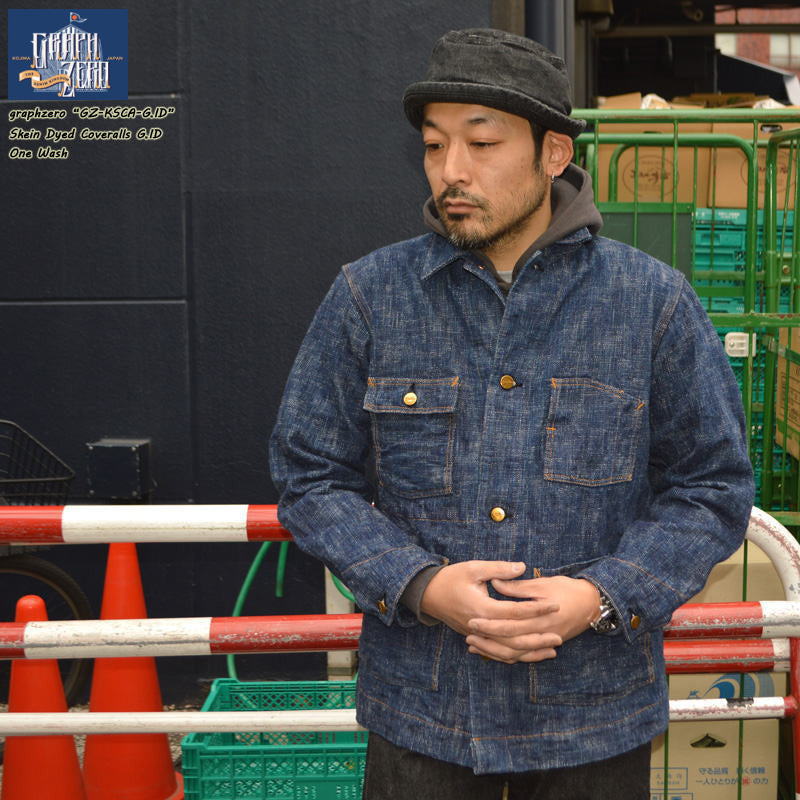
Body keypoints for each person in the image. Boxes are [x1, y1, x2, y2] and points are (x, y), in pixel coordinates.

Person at [269, 28, 754, 800]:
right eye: (435, 146)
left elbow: (713, 487)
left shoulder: (652, 304)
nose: (451, 171)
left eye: (482, 142)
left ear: (553, 153)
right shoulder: (371, 297)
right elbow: (309, 475)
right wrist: (420, 584)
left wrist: (601, 595)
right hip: (423, 715)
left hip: (592, 715)